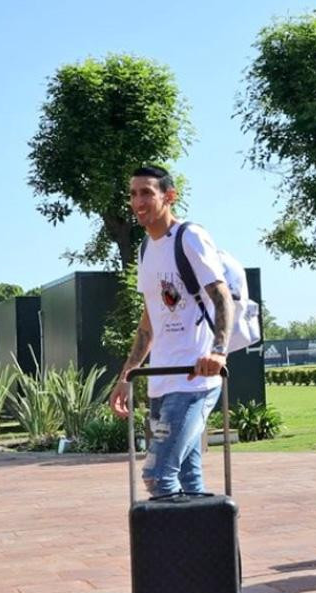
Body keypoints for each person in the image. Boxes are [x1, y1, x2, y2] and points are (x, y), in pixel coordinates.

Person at [109, 165, 233, 498]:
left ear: (169, 196)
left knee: (158, 474)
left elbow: (221, 297)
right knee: (189, 481)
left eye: (147, 192)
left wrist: (218, 351)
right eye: (133, 194)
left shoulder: (189, 236)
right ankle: (210, 550)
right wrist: (126, 376)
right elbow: (149, 323)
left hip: (194, 379)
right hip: (161, 382)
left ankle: (170, 550)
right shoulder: (145, 249)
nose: (138, 201)